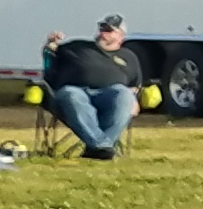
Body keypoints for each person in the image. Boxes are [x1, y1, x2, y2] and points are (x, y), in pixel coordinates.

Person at [43, 16, 143, 159]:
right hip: (75, 92)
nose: (103, 33)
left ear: (121, 36)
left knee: (124, 94)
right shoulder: (76, 46)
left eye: (109, 30)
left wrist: (133, 99)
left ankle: (97, 148)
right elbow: (49, 56)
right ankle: (103, 146)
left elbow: (135, 85)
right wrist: (50, 43)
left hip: (108, 97)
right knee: (72, 95)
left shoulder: (129, 57)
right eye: (102, 28)